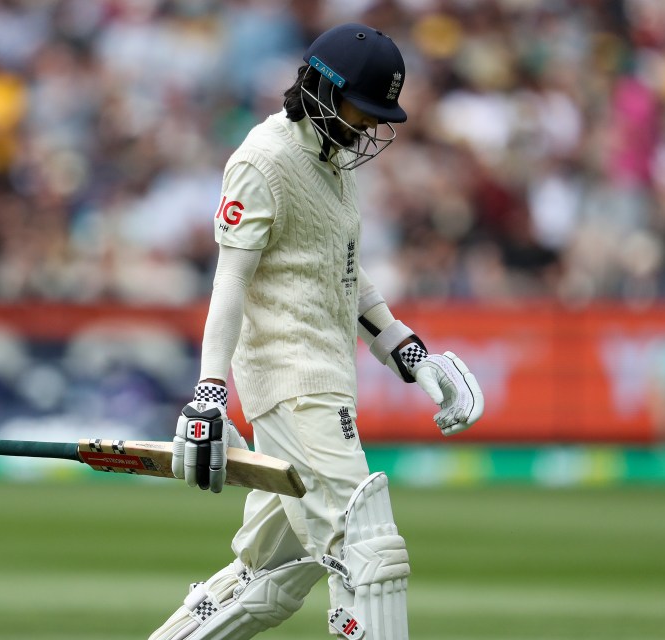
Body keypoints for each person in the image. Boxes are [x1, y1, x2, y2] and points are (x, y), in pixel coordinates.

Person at [149, 23, 484, 640]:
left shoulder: (334, 163)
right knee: (368, 549)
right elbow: (230, 283)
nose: (367, 128)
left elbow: (347, 277)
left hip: (326, 377)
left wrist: (410, 354)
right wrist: (209, 393)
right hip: (294, 385)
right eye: (361, 108)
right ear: (321, 89)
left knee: (270, 576)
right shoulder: (263, 158)